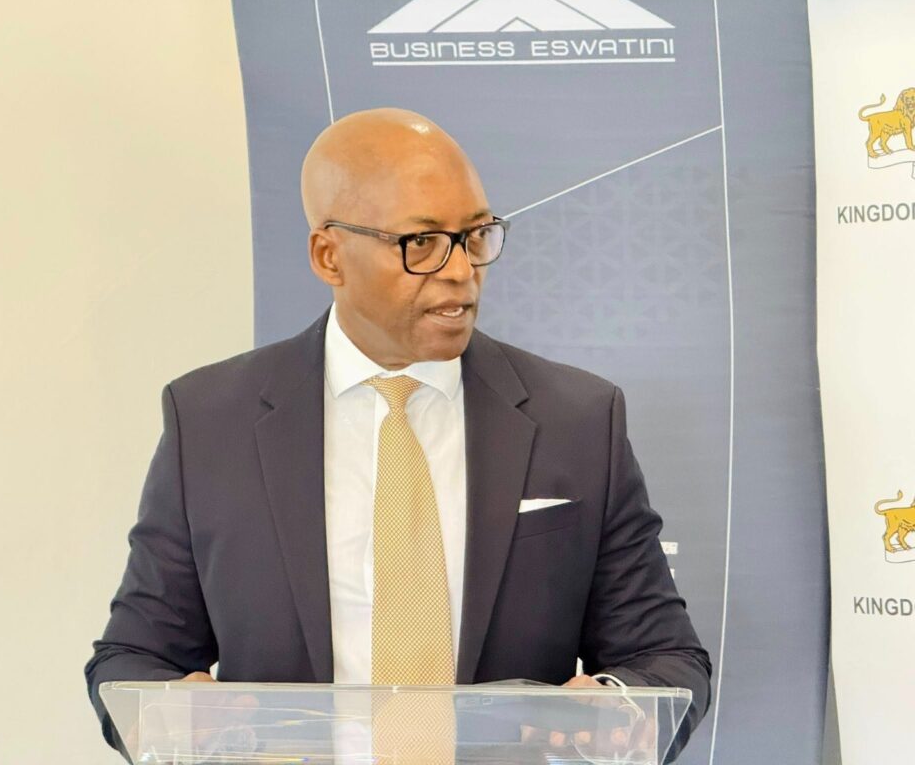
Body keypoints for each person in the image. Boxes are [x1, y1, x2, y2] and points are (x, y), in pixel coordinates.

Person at [85, 108, 711, 760]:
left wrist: (617, 706)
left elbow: (664, 657)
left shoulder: (577, 419)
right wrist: (174, 713)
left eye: (475, 236)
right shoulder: (212, 421)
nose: (461, 270)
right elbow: (133, 658)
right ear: (329, 255)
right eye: (422, 243)